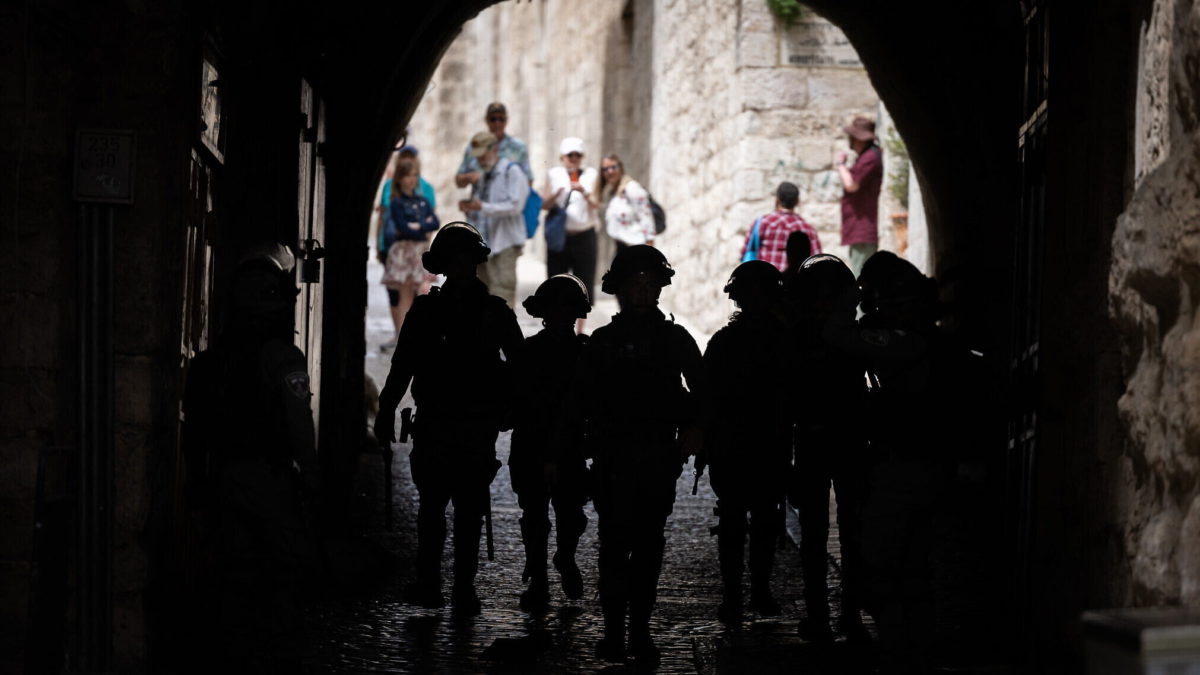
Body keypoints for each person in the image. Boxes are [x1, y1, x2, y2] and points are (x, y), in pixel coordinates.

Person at [564, 245, 708, 664]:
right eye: (636, 283)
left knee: (647, 545)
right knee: (613, 545)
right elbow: (578, 403)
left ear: (660, 287)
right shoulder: (603, 343)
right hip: (613, 459)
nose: (643, 290)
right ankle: (613, 631)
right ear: (621, 288)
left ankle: (639, 630)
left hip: (659, 459)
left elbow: (703, 390)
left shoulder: (675, 340)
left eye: (650, 283)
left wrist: (697, 429)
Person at [373, 222, 524, 615]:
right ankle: (453, 588)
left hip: (457, 424)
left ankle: (444, 586)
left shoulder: (458, 312)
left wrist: (387, 409)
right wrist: (385, 408)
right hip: (456, 424)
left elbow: (521, 371)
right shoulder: (484, 311)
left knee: (443, 509)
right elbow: (404, 362)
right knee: (450, 508)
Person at [181, 243, 320, 668]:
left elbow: (194, 434)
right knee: (283, 572)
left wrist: (197, 488)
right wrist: (313, 486)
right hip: (269, 481)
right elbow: (299, 429)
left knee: (231, 574)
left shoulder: (207, 364)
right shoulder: (284, 358)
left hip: (222, 479)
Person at [786, 254, 871, 644]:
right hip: (841, 441)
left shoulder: (803, 338)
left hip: (824, 441)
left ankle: (827, 614)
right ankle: (841, 614)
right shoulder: (850, 335)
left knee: (822, 531)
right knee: (839, 530)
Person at [702, 260, 791, 624]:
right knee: (756, 519)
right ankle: (752, 591)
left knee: (739, 519)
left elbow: (706, 395)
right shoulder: (784, 341)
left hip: (742, 444)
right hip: (755, 443)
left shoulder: (727, 341)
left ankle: (740, 593)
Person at [509, 275, 592, 612]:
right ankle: (540, 579)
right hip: (532, 444)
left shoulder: (587, 354)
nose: (561, 316)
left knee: (570, 515)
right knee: (535, 516)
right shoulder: (528, 352)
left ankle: (564, 558)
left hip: (569, 447)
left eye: (567, 310)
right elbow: (511, 400)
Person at [458, 132, 530, 307]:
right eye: (478, 156)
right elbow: (482, 205)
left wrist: (482, 207)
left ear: (495, 149)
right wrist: (470, 207)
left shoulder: (512, 171)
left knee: (502, 294)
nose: (480, 159)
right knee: (482, 294)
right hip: (483, 244)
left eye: (483, 154)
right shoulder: (483, 175)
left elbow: (515, 206)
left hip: (504, 243)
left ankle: (504, 333)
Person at [379, 156, 439, 350]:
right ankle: (404, 337)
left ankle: (419, 335)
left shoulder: (422, 200)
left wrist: (418, 225)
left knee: (422, 294)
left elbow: (435, 222)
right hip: (403, 252)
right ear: (400, 178)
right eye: (407, 176)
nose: (411, 179)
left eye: (414, 175)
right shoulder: (396, 203)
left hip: (419, 251)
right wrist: (422, 226)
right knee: (405, 296)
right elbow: (403, 228)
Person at [542, 137, 600, 332]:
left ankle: (579, 331)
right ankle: (557, 328)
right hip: (561, 238)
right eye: (570, 155)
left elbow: (596, 204)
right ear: (562, 157)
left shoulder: (591, 175)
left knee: (584, 282)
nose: (573, 158)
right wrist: (555, 195)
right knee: (557, 281)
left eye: (577, 155)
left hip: (584, 236)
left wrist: (583, 191)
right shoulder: (554, 174)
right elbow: (544, 204)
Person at [836, 116, 884, 277]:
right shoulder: (867, 156)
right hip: (858, 227)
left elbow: (851, 185)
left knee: (860, 276)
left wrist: (841, 164)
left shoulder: (870, 157)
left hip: (862, 227)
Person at [740, 182, 821, 271]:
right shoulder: (807, 229)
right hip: (793, 283)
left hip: (765, 281)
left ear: (777, 199)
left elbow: (744, 253)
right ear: (797, 201)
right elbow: (816, 263)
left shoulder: (763, 223)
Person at [455, 102, 532, 187]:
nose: (497, 123)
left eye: (501, 119)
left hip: (508, 198)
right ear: (487, 120)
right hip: (480, 197)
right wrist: (469, 177)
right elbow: (459, 180)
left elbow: (528, 181)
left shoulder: (518, 147)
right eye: (493, 119)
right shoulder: (475, 146)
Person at [599, 154, 656, 251]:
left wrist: (649, 245)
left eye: (613, 167)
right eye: (606, 169)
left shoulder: (631, 188)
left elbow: (645, 215)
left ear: (620, 168)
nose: (610, 171)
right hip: (621, 246)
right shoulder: (614, 194)